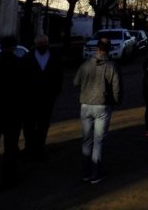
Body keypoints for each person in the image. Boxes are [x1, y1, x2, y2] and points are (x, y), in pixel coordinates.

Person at [73, 37, 122, 183]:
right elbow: (117, 88)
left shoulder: (85, 65)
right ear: (109, 49)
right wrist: (116, 101)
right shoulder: (111, 66)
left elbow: (75, 82)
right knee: (98, 141)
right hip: (102, 106)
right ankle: (95, 173)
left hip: (86, 106)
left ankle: (86, 172)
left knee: (87, 140)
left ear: (96, 48)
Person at [22, 34, 63, 160]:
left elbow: (59, 77)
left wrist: (54, 93)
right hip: (30, 99)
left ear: (47, 43)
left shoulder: (54, 57)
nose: (42, 46)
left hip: (47, 98)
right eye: (40, 44)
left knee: (43, 124)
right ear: (36, 44)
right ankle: (29, 147)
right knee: (29, 125)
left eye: (44, 43)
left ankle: (40, 147)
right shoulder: (27, 58)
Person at [0, 36, 25, 190]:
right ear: (14, 47)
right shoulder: (19, 64)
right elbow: (24, 90)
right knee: (11, 147)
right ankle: (9, 177)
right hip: (13, 113)